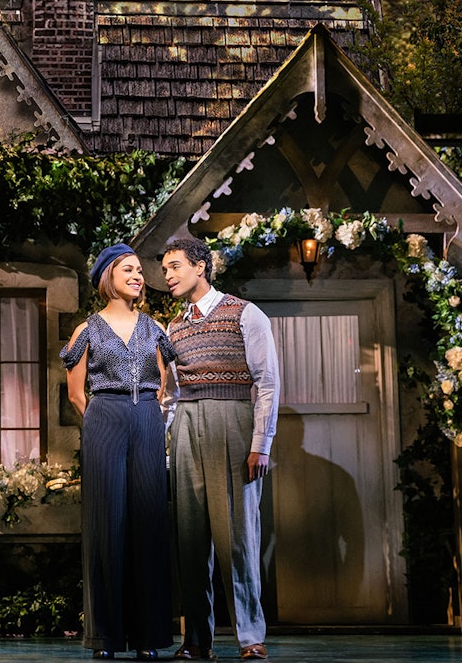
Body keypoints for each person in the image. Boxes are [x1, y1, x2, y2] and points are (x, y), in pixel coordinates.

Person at [160, 236, 280, 661]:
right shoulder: (174, 327)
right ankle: (196, 640)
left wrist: (260, 444)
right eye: (165, 270)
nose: (168, 276)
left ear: (200, 267)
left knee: (238, 538)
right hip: (189, 425)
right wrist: (170, 450)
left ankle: (251, 636)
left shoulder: (244, 314)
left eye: (175, 267)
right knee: (190, 539)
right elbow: (171, 395)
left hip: (233, 421)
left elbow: (267, 383)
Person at [61, 243, 177, 660]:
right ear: (107, 276)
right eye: (128, 269)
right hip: (104, 417)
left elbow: (165, 386)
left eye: (141, 271)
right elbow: (76, 393)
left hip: (146, 417)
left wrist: (149, 419)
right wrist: (103, 422)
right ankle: (105, 638)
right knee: (105, 524)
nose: (138, 276)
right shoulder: (87, 330)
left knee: (149, 522)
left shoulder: (156, 328)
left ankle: (148, 637)